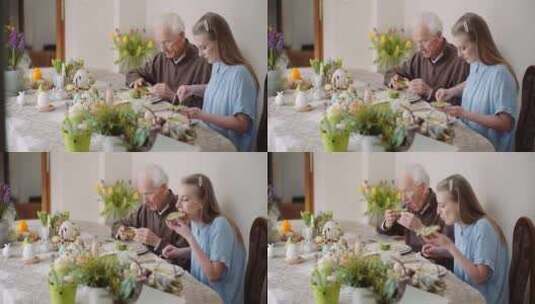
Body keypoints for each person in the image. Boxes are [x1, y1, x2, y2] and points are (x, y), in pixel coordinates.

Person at [435, 13, 518, 152]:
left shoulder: (501, 75)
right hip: (468, 136)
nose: (459, 55)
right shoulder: (476, 64)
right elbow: (472, 82)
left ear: (480, 43)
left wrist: (464, 113)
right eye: (457, 48)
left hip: (489, 148)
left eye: (464, 48)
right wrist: (450, 91)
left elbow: (506, 124)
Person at [177, 12, 259, 152]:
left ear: (221, 42)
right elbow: (217, 90)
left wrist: (202, 115)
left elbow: (242, 124)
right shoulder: (217, 64)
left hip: (228, 146)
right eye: (198, 48)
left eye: (204, 47)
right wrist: (191, 89)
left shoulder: (241, 75)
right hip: (209, 135)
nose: (200, 54)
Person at [422, 174, 509, 304]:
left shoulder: (483, 228)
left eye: (442, 205)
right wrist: (441, 250)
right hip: (465, 295)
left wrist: (450, 245)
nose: (438, 212)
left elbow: (480, 276)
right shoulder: (459, 224)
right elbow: (466, 256)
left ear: (460, 203)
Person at [163, 174, 246, 304]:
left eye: (184, 199)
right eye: (178, 199)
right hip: (201, 292)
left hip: (220, 299)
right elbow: (204, 251)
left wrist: (189, 237)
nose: (178, 204)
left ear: (202, 202)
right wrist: (179, 251)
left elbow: (213, 274)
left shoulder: (220, 226)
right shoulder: (196, 221)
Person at [111, 164, 190, 269]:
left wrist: (157, 242)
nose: (144, 200)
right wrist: (121, 230)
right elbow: (117, 224)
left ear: (163, 188)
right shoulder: (145, 208)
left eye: (148, 194)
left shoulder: (181, 211)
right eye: (142, 194)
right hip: (143, 268)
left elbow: (185, 260)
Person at [125, 13, 211, 107]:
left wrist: (172, 96)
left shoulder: (202, 61)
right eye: (160, 43)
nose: (163, 49)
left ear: (182, 36)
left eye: (167, 42)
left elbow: (204, 105)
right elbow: (133, 73)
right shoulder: (161, 58)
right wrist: (138, 81)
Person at [377, 164, 454, 269]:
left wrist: (419, 228)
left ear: (422, 188)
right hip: (411, 265)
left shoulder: (442, 209)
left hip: (436, 270)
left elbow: (446, 251)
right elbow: (388, 230)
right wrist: (387, 223)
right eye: (401, 192)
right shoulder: (409, 206)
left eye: (407, 191)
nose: (403, 198)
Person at [385, 12, 469, 105]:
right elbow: (390, 73)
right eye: (417, 42)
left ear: (439, 37)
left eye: (424, 41)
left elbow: (461, 103)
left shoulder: (460, 60)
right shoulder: (419, 57)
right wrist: (394, 80)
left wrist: (430, 92)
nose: (420, 48)